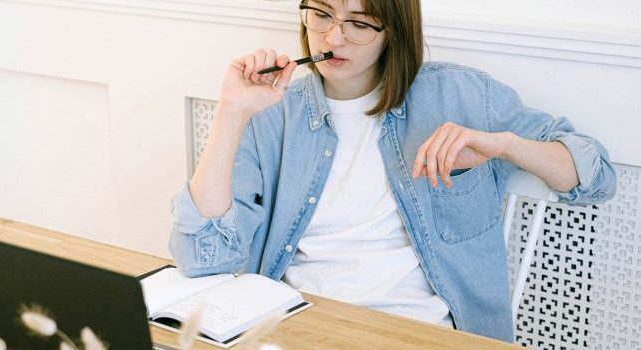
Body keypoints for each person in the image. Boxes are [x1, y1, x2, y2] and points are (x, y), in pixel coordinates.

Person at [168, 0, 616, 343]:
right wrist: (231, 112)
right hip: (299, 325)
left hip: (418, 333)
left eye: (359, 24)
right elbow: (204, 257)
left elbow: (595, 177)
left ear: (393, 30)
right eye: (320, 14)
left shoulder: (459, 94)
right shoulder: (273, 113)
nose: (332, 39)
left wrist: (504, 146)